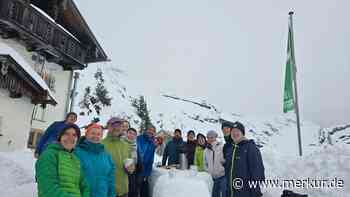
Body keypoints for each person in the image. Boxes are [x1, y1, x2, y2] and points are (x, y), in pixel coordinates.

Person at [35, 124, 90, 197]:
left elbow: (84, 186)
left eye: (74, 135)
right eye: (66, 134)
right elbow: (48, 189)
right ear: (60, 137)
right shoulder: (49, 155)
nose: (70, 137)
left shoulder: (75, 160)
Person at [223, 121, 265, 197]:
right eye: (232, 131)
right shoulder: (230, 149)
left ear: (242, 133)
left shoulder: (251, 148)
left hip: (246, 193)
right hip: (232, 193)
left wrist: (255, 193)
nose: (235, 133)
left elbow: (258, 172)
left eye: (237, 131)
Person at [75, 123, 116, 197]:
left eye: (98, 134)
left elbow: (111, 179)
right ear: (86, 135)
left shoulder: (106, 155)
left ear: (101, 137)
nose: (95, 136)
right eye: (92, 133)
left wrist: (112, 194)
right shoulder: (76, 152)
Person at [103, 117, 133, 197]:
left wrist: (131, 168)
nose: (116, 128)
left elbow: (131, 165)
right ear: (108, 127)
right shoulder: (101, 145)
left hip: (123, 190)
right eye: (113, 125)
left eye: (119, 125)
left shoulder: (126, 145)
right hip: (107, 190)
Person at [136, 125, 158, 197]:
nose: (151, 132)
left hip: (147, 171)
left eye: (153, 131)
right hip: (138, 169)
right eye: (149, 130)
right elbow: (139, 154)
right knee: (136, 191)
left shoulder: (152, 142)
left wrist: (155, 146)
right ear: (146, 130)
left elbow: (150, 156)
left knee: (145, 191)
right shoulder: (139, 139)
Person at [205, 130, 226, 197]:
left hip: (222, 176)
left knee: (224, 193)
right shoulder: (206, 150)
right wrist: (208, 170)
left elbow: (225, 159)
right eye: (208, 137)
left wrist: (223, 167)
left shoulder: (222, 146)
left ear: (215, 137)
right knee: (214, 194)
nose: (210, 139)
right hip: (213, 178)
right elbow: (205, 163)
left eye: (212, 137)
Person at [126, 128, 138, 197]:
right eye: (130, 133)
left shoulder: (135, 145)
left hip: (132, 172)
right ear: (126, 133)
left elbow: (136, 159)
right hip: (123, 172)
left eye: (134, 134)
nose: (132, 135)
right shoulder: (122, 143)